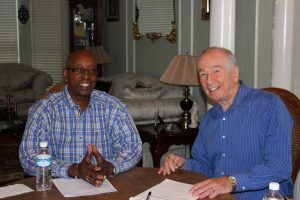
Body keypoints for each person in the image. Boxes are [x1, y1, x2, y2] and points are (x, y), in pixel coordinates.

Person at [158, 47, 294, 199]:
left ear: (234, 73)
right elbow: (206, 166)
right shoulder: (210, 118)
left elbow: (279, 167)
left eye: (216, 71)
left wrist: (231, 182)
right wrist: (183, 164)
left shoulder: (269, 105)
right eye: (203, 74)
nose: (209, 80)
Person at [19, 49, 142, 186]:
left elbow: (133, 148)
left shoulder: (113, 107)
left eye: (92, 70)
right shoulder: (44, 110)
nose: (86, 76)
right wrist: (73, 170)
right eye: (78, 70)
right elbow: (28, 157)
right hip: (58, 189)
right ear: (66, 74)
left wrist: (110, 166)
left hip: (104, 188)